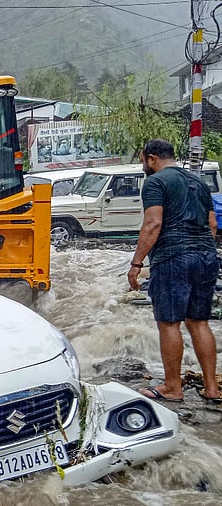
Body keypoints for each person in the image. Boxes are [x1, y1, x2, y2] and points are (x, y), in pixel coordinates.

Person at [128, 139, 220, 403]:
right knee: (198, 321)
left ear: (152, 158)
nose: (143, 164)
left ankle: (172, 387)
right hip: (206, 256)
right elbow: (212, 223)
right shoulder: (198, 183)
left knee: (169, 322)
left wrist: (137, 263)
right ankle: (212, 387)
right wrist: (200, 249)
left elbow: (153, 224)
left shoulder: (155, 182)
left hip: (174, 257)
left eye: (143, 159)